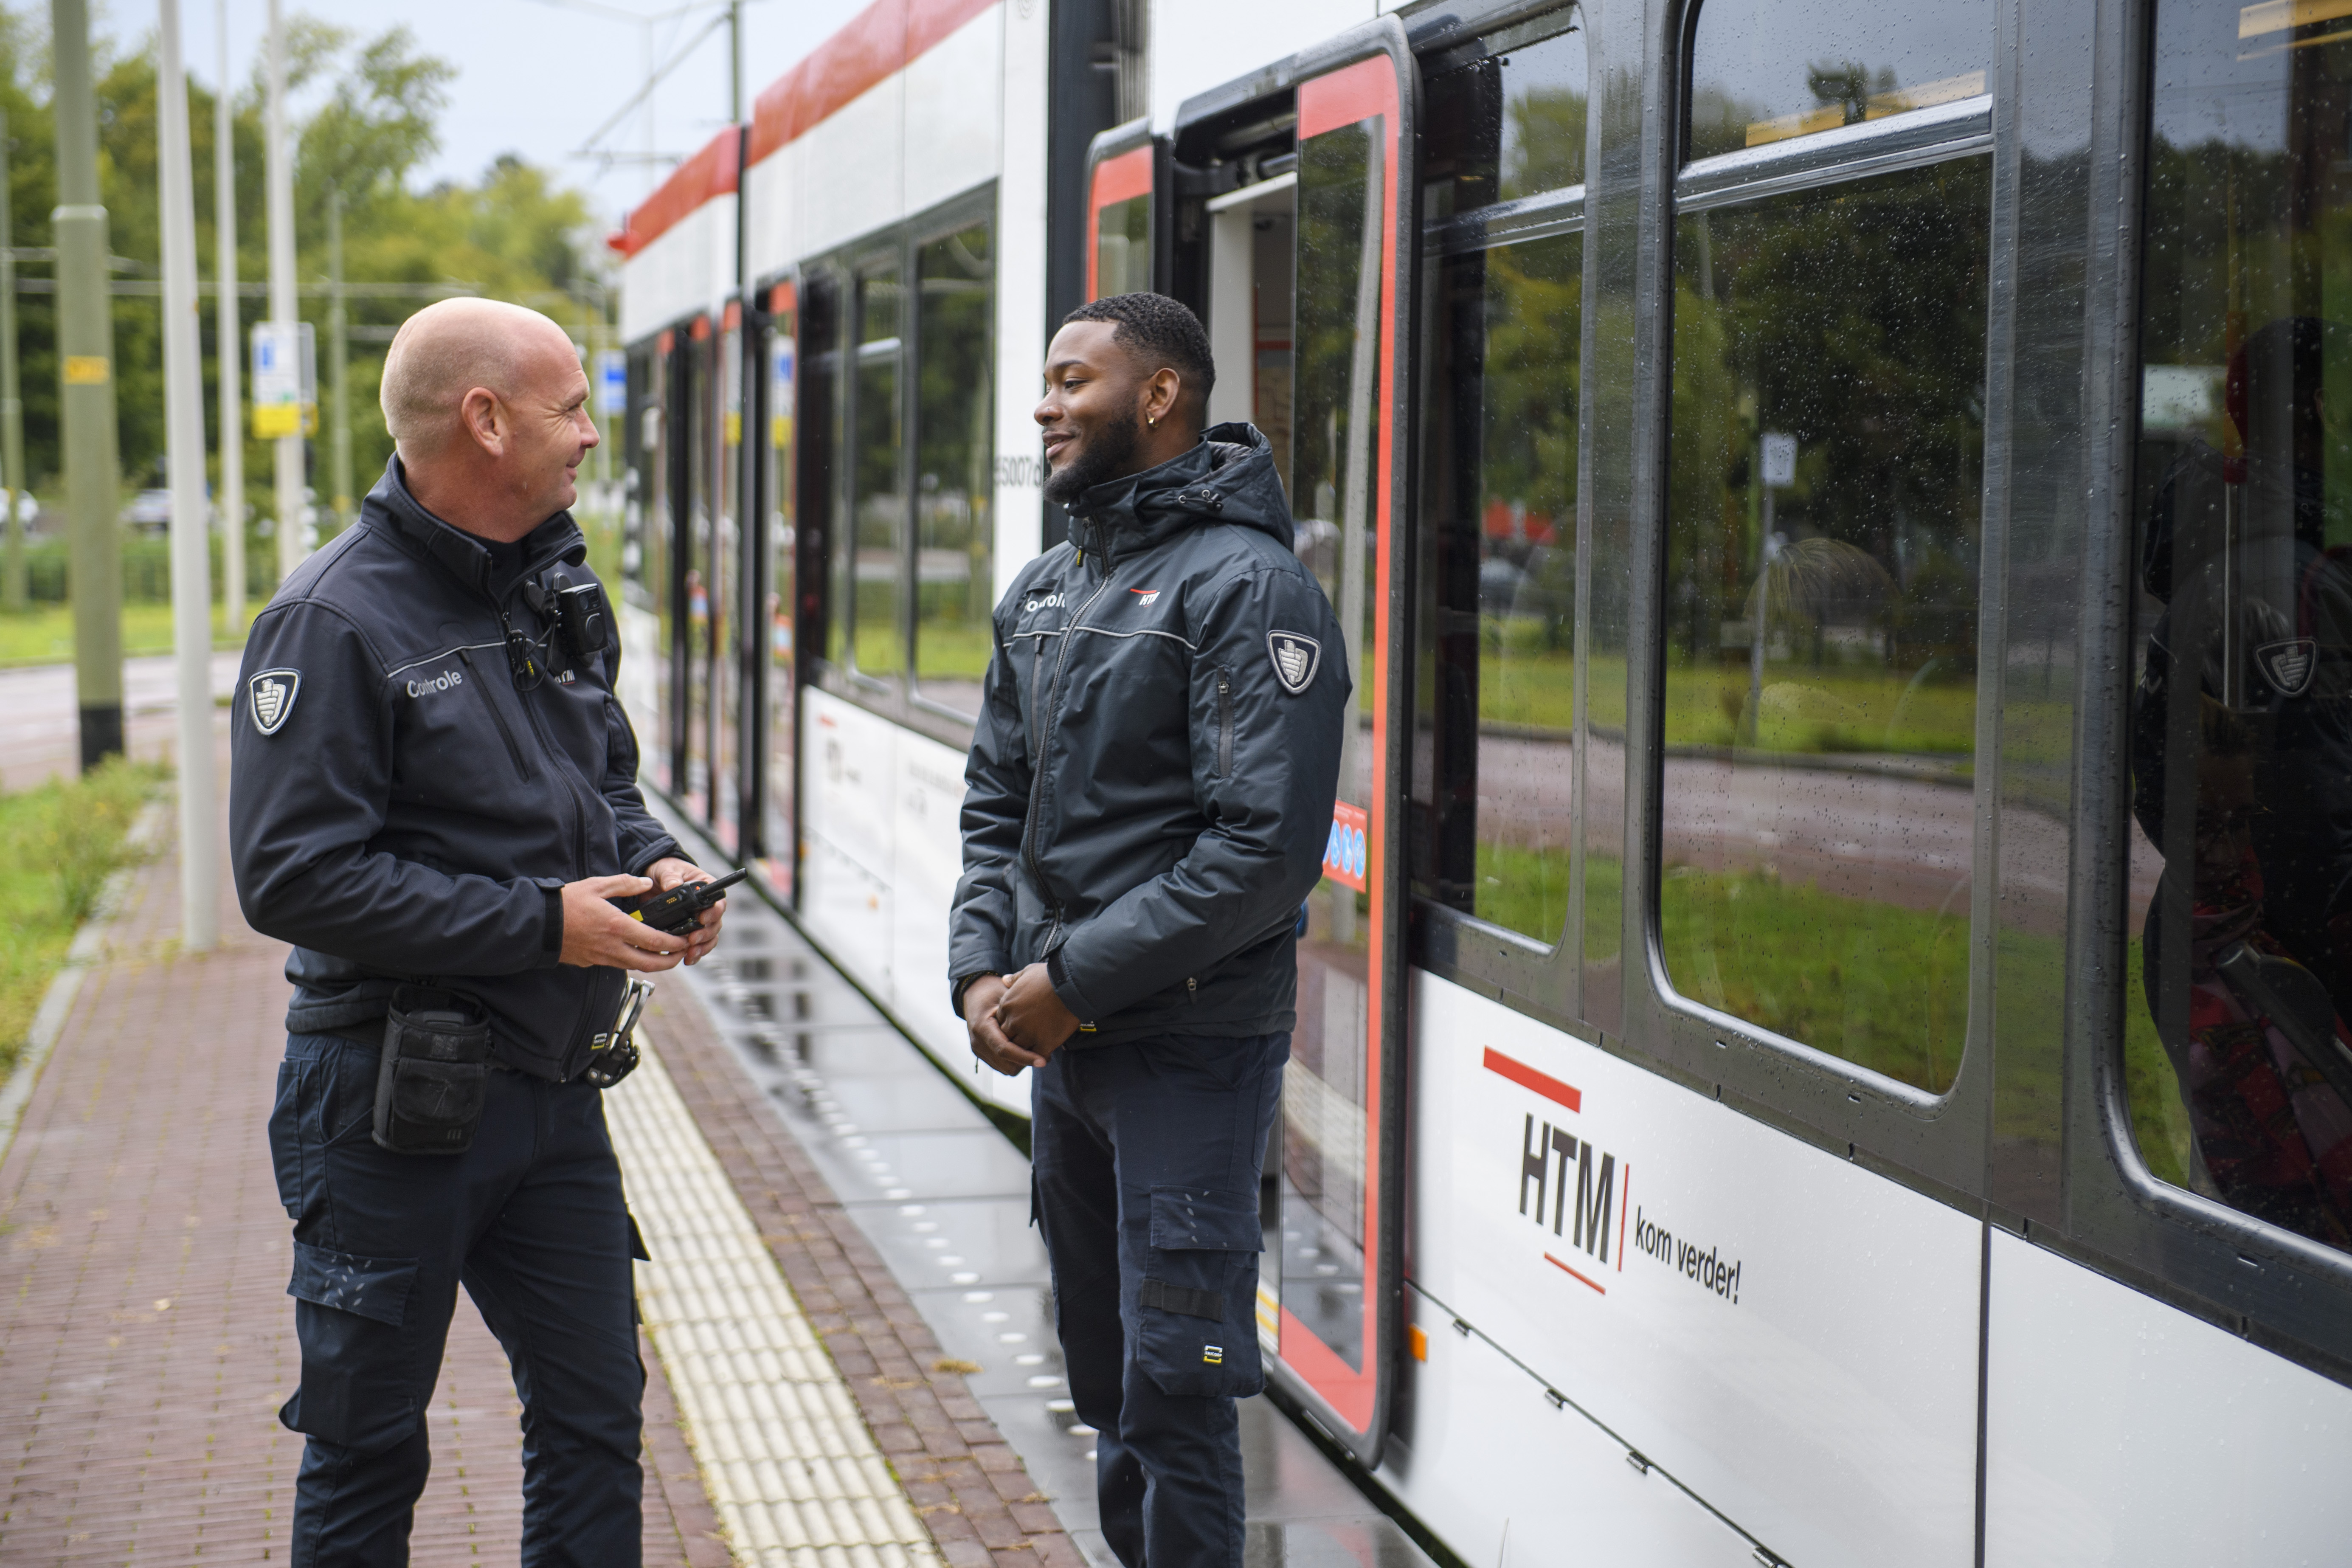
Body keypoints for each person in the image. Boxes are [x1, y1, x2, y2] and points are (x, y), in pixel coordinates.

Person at [230, 296, 725, 1563]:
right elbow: (291, 878)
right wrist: (539, 926)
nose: (591, 439)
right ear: (485, 420)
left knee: (596, 1413)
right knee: (368, 1441)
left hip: (553, 1094)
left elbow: (599, 780)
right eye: (571, 408)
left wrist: (644, 859)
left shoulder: (550, 579)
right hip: (391, 1102)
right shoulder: (330, 621)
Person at [947, 293, 1348, 1566]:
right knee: (1110, 1379)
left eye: (1072, 381)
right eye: (1045, 382)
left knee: (1185, 1388)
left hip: (1189, 1054)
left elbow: (1260, 856)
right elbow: (995, 807)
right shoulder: (1048, 590)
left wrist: (1064, 981)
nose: (1044, 405)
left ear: (1159, 394)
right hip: (1070, 1053)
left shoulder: (1249, 589)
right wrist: (977, 972)